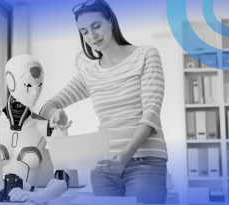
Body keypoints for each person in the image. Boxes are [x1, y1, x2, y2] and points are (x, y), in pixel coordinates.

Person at [39, 0, 168, 204]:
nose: (92, 36)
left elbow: (151, 113)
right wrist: (56, 113)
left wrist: (126, 155)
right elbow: (47, 106)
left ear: (111, 21)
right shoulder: (89, 73)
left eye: (96, 26)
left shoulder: (145, 55)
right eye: (84, 31)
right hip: (104, 169)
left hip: (145, 163)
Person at [0, 54, 69, 204]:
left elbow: (63, 178)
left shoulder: (48, 127)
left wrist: (41, 197)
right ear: (10, 81)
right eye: (28, 86)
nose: (35, 93)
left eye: (39, 85)